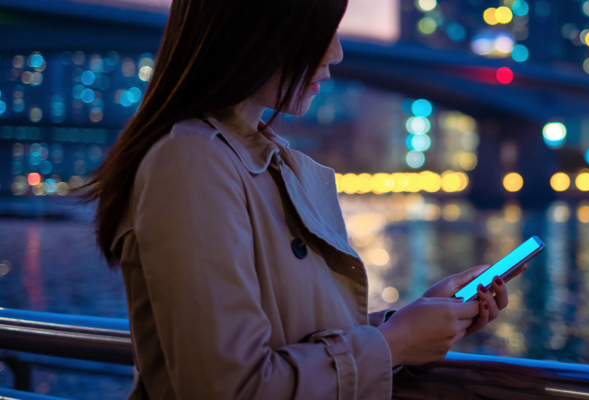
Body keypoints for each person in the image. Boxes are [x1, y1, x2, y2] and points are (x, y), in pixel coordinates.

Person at [80, 0, 523, 398]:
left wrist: (407, 326)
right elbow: (230, 387)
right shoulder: (191, 160)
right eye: (321, 31)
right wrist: (395, 345)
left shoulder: (254, 160)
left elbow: (288, 340)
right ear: (257, 33)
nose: (335, 53)